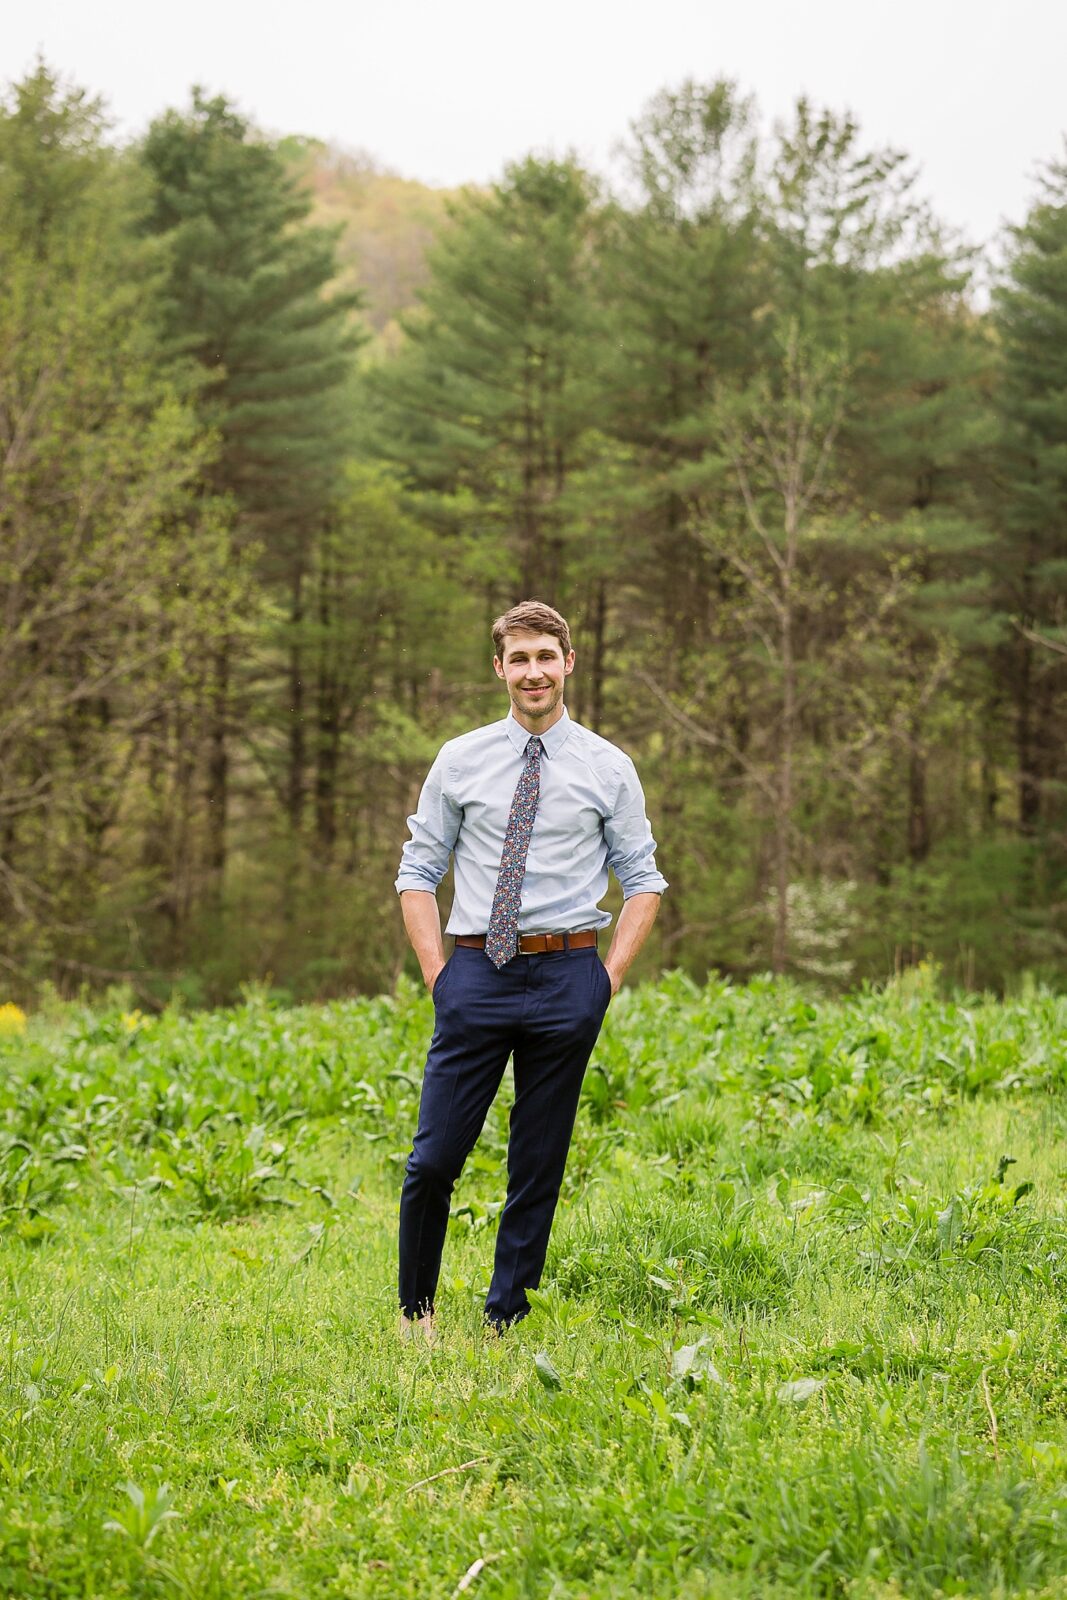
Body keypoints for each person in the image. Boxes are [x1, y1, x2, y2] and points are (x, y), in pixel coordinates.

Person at [394, 599, 667, 1338]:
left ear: (568, 663)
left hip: (567, 976)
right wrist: (437, 975)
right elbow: (417, 869)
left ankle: (504, 1320)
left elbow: (643, 880)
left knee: (535, 1166)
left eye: (545, 656)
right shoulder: (460, 759)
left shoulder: (608, 767)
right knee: (432, 1160)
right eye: (519, 659)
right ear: (499, 669)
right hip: (475, 973)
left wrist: (604, 981)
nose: (533, 672)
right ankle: (414, 1316)